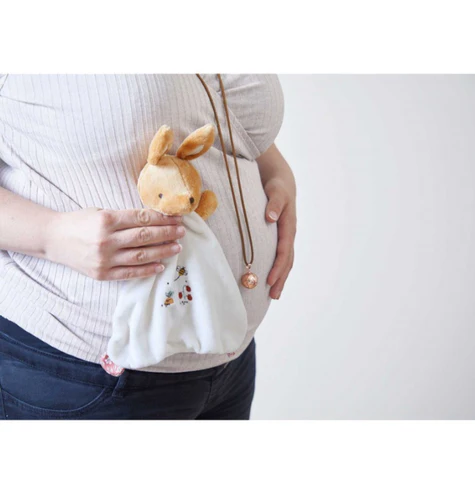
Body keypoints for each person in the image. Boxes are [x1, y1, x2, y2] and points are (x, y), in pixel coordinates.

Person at [0, 74, 297, 420]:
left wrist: (277, 172)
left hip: (232, 360)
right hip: (82, 372)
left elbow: (221, 115)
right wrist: (51, 235)